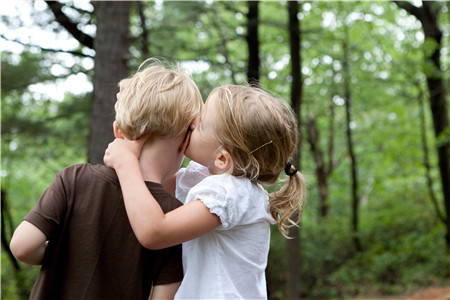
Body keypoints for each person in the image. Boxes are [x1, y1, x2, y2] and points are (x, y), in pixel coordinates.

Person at [9, 58, 203, 300]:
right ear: (184, 143)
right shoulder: (172, 217)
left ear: (118, 132)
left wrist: (64, 253)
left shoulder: (75, 178)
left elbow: (22, 246)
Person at [104, 84, 307, 299]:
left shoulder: (231, 193)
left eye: (200, 123)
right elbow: (153, 183)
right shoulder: (210, 179)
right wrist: (134, 110)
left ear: (222, 159)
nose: (191, 122)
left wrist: (126, 163)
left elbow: (155, 232)